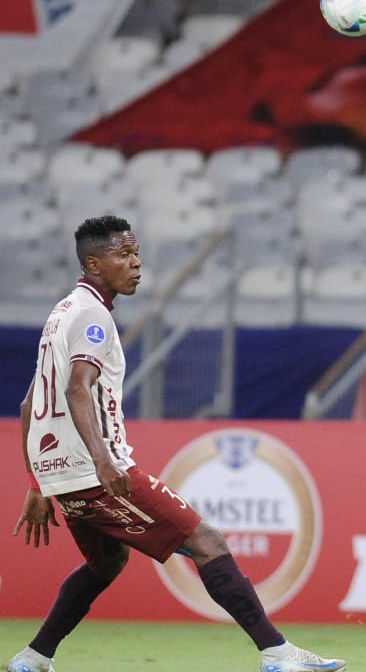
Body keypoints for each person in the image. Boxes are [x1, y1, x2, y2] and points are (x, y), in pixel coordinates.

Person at [9, 215, 345, 672]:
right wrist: (105, 463)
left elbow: (31, 403)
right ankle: (278, 654)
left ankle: (33, 657)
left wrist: (37, 482)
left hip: (63, 473)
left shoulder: (61, 313)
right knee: (208, 542)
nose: (136, 263)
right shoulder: (92, 317)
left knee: (107, 563)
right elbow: (76, 389)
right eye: (123, 255)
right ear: (93, 263)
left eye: (136, 252)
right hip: (95, 472)